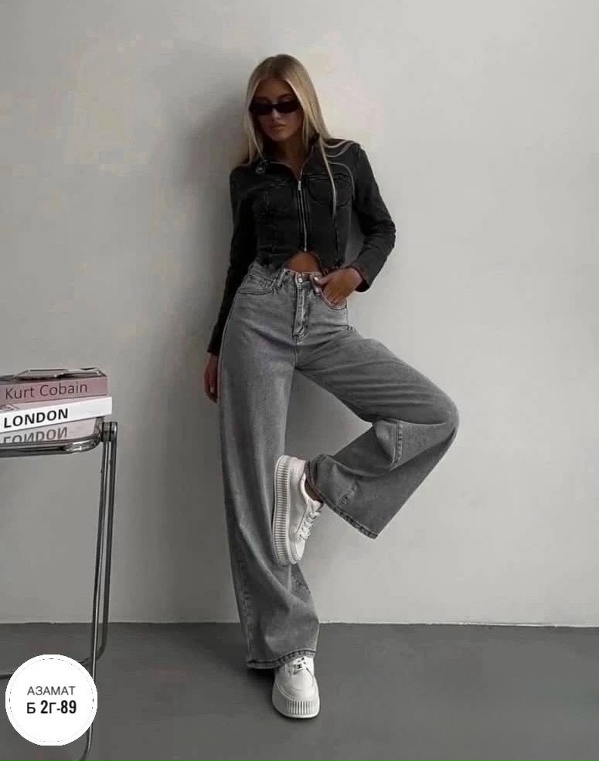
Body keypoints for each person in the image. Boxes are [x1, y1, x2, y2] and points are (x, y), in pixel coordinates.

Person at [203, 53, 460, 720]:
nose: (274, 116)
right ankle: (290, 647)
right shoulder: (246, 176)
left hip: (324, 315)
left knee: (434, 414)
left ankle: (315, 483)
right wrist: (216, 344)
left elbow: (383, 228)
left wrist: (356, 275)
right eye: (262, 106)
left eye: (285, 103)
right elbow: (237, 258)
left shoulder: (346, 160)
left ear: (305, 102)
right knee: (250, 486)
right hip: (256, 315)